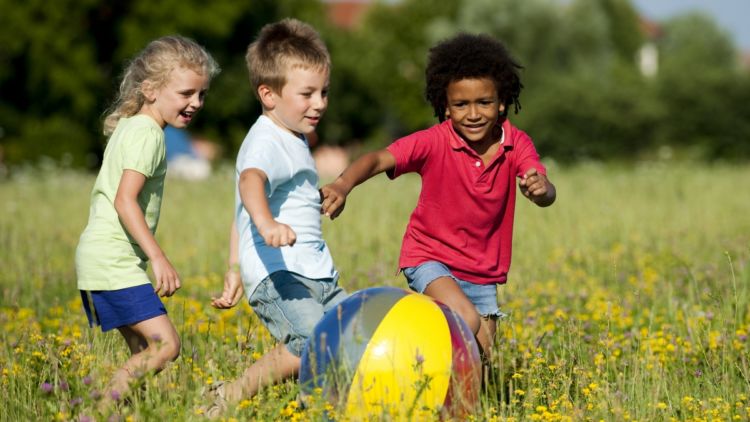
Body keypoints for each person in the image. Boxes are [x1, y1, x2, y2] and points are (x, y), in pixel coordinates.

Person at [321, 33, 556, 359]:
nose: (473, 114)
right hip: (429, 258)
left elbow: (544, 188)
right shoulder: (433, 142)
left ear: (501, 102)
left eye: (484, 102)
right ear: (446, 108)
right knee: (466, 319)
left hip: (483, 272)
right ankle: (406, 334)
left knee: (481, 361)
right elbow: (377, 159)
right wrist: (342, 184)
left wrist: (541, 190)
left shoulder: (517, 144)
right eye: (461, 104)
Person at [203, 18, 347, 416]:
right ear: (268, 94)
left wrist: (233, 267)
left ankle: (236, 394)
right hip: (281, 274)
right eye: (308, 94)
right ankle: (294, 406)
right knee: (318, 342)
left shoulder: (292, 136)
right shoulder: (266, 140)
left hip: (315, 272)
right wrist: (268, 225)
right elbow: (250, 184)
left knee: (349, 333)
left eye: (323, 92)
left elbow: (240, 209)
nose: (319, 103)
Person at [75, 35, 219, 410]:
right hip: (113, 260)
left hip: (102, 257)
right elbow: (125, 200)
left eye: (201, 95)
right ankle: (96, 415)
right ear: (151, 89)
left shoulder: (133, 126)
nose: (195, 103)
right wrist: (158, 257)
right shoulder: (148, 134)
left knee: (142, 352)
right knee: (165, 345)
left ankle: (122, 414)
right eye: (186, 93)